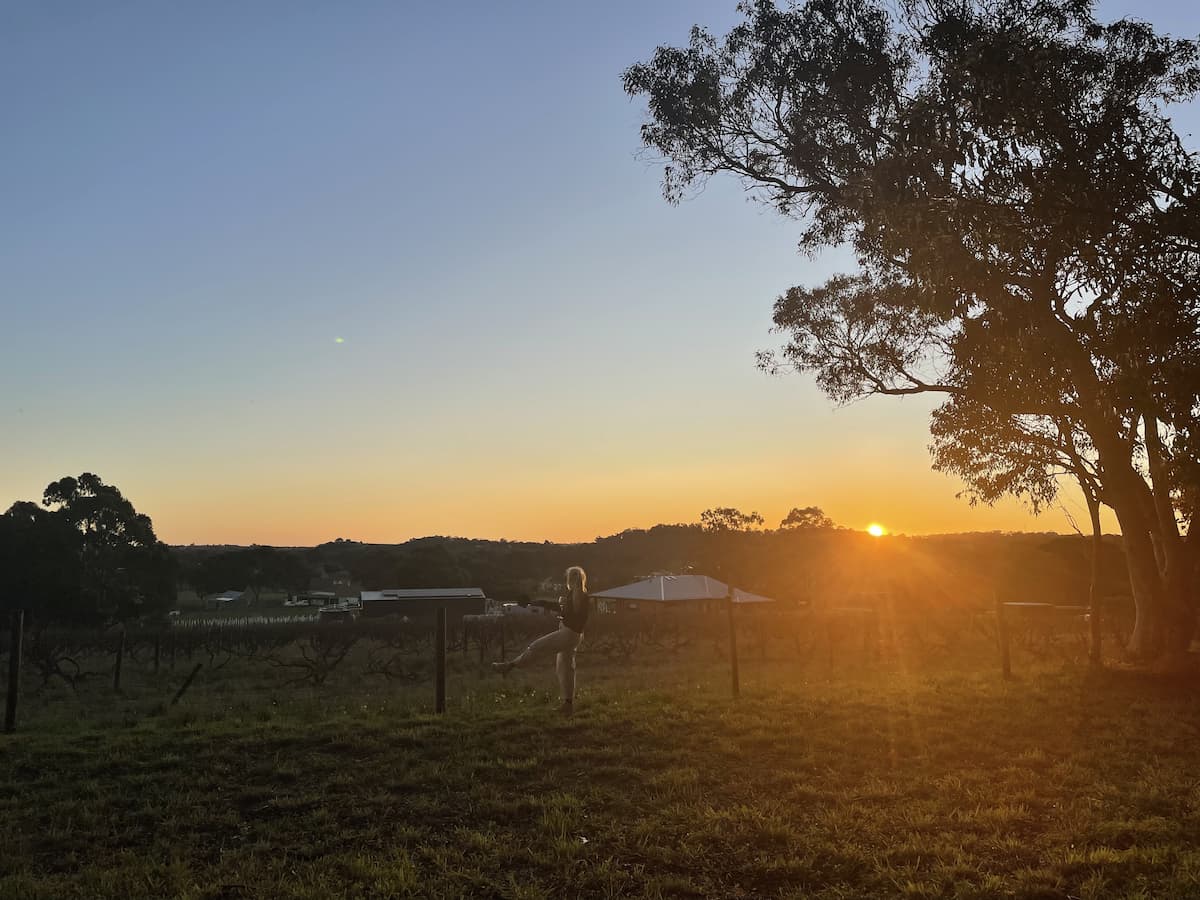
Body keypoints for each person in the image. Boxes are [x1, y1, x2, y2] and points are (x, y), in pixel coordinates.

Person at [493, 566, 589, 714]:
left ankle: (509, 666)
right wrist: (541, 603)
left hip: (568, 634)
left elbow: (574, 619)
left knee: (537, 647)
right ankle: (568, 705)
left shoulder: (576, 596)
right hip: (574, 635)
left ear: (570, 579)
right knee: (565, 668)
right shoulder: (580, 595)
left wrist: (561, 612)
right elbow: (573, 617)